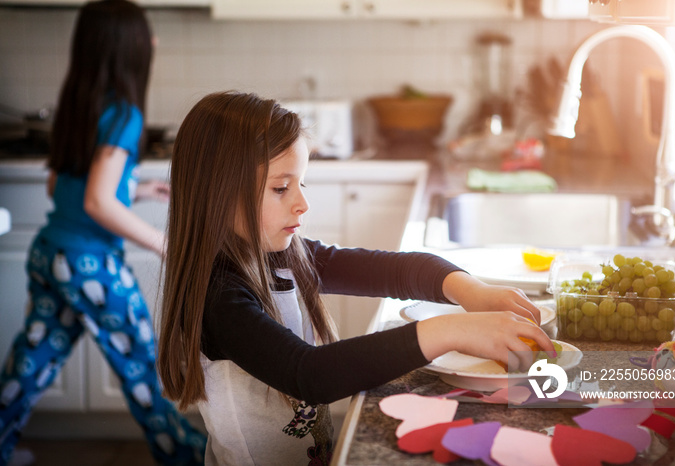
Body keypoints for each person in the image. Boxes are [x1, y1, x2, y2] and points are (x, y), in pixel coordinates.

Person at [157, 91, 556, 466]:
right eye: (281, 187)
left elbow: (397, 270)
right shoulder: (219, 298)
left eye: (301, 182)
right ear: (219, 194)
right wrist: (450, 331)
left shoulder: (283, 255)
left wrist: (472, 290)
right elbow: (310, 375)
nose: (302, 203)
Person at [0, 1, 206, 465]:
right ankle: (185, 458)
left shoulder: (78, 105)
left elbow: (64, 189)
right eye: (145, 35)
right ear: (127, 48)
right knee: (140, 366)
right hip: (88, 262)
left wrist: (134, 190)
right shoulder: (125, 114)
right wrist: (163, 244)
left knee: (30, 365)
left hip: (51, 252)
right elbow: (95, 201)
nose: (153, 42)